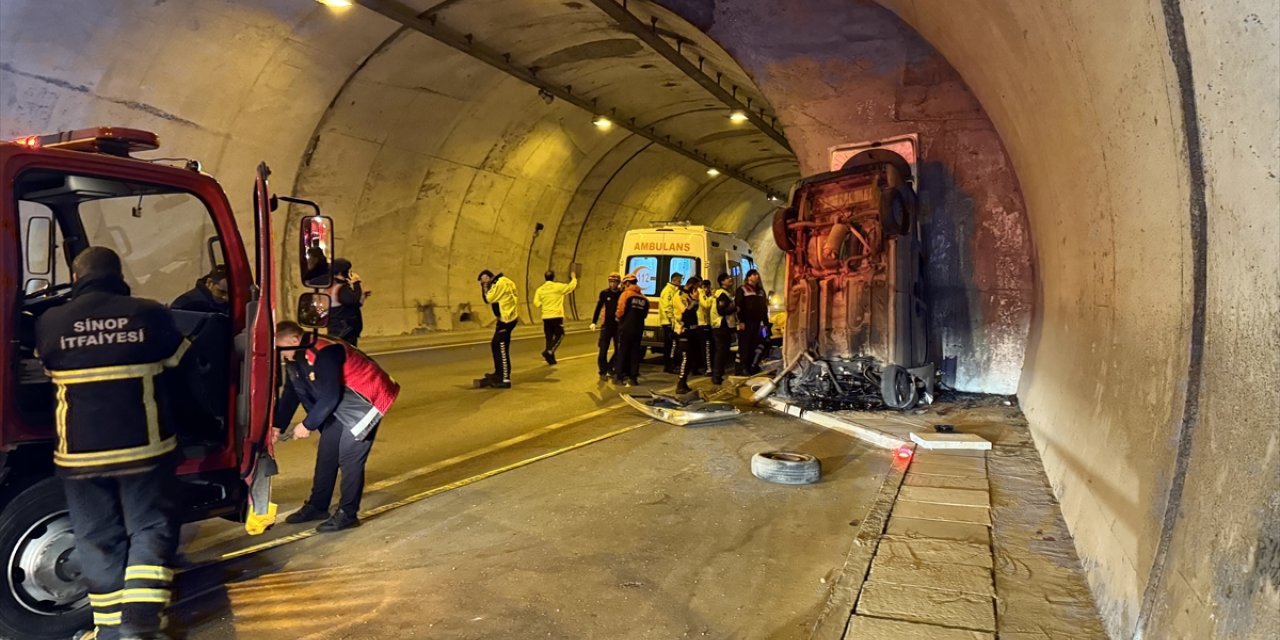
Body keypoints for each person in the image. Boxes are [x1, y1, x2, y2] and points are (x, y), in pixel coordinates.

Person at [35, 247, 187, 640]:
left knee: (95, 538)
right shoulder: (148, 312)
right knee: (150, 527)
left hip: (78, 455)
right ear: (118, 273)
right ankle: (139, 623)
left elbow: (47, 367)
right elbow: (180, 364)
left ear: (75, 275)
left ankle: (107, 628)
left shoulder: (50, 321)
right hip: (143, 448)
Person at [274, 321, 400, 532]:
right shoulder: (295, 355)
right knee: (327, 454)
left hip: (365, 401)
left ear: (295, 340)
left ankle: (347, 514)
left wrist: (307, 424)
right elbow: (292, 391)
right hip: (342, 403)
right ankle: (318, 506)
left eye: (280, 347)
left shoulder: (325, 351)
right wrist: (277, 425)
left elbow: (331, 394)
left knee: (349, 459)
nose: (278, 353)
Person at [478, 269, 518, 388]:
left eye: (484, 281)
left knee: (501, 347)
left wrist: (484, 285)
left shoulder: (500, 284)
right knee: (495, 344)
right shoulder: (505, 281)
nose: (484, 283)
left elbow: (488, 299)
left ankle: (505, 379)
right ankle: (498, 373)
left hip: (506, 320)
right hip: (506, 319)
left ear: (488, 278)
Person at [532, 269, 578, 365]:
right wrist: (574, 278)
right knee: (560, 335)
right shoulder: (558, 287)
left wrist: (544, 303)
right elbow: (571, 287)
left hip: (546, 316)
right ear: (553, 277)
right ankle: (549, 351)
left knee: (549, 337)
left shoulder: (540, 289)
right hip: (556, 316)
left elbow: (536, 303)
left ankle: (551, 360)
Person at [613, 272, 649, 387]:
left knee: (622, 352)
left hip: (626, 328)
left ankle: (619, 376)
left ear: (627, 283)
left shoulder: (626, 295)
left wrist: (618, 318)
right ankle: (633, 378)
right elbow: (644, 315)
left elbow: (620, 311)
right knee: (635, 353)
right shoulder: (644, 299)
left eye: (624, 284)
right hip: (638, 329)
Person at [326, 258, 370, 346]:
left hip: (338, 330)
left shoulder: (332, 286)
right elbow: (354, 300)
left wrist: (362, 296)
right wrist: (356, 282)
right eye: (348, 270)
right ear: (340, 272)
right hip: (344, 331)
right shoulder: (340, 288)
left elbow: (354, 304)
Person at [735, 269, 769, 375]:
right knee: (745, 346)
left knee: (755, 345)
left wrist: (766, 323)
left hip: (757, 322)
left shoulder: (760, 291)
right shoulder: (742, 290)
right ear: (749, 277)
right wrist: (740, 321)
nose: (757, 277)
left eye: (757, 275)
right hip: (746, 322)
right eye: (754, 275)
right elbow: (738, 306)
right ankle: (742, 367)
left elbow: (764, 308)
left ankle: (751, 366)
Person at [590, 272, 624, 380]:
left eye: (615, 282)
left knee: (619, 350)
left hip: (617, 326)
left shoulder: (621, 294)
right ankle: (603, 371)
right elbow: (599, 307)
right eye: (611, 282)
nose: (613, 284)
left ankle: (611, 367)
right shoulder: (604, 293)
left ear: (618, 283)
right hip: (606, 326)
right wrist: (594, 322)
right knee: (603, 350)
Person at [672, 276, 702, 394]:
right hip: (683, 329)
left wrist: (696, 301)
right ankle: (680, 383)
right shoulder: (680, 295)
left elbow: (694, 310)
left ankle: (684, 383)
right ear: (691, 285)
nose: (697, 290)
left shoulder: (689, 295)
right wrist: (694, 301)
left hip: (692, 329)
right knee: (686, 357)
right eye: (696, 287)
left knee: (691, 357)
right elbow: (685, 313)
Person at [710, 273, 738, 385]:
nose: (730, 279)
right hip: (720, 326)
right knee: (721, 351)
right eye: (727, 278)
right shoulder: (722, 294)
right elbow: (721, 311)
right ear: (722, 282)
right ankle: (716, 376)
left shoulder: (725, 293)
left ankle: (718, 374)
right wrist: (735, 308)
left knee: (724, 351)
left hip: (723, 325)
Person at [658, 272, 683, 373]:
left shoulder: (673, 290)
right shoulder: (668, 291)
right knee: (671, 345)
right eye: (679, 280)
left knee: (672, 345)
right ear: (675, 280)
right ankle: (669, 366)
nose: (680, 282)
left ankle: (670, 365)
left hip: (669, 321)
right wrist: (672, 320)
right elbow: (667, 307)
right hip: (668, 322)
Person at [697, 279, 714, 376]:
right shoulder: (701, 293)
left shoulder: (702, 293)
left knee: (704, 348)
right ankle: (708, 368)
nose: (708, 290)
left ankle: (703, 367)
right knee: (706, 348)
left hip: (703, 323)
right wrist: (712, 296)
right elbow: (706, 304)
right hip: (702, 324)